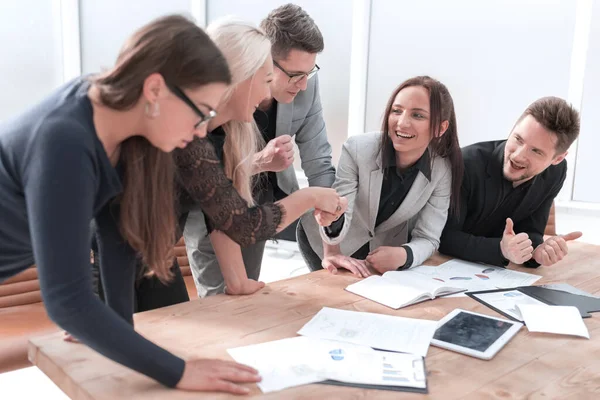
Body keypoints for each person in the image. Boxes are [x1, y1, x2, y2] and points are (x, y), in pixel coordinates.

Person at [0, 15, 266, 394]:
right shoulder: (65, 139)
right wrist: (178, 371)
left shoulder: (124, 131)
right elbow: (66, 301)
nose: (203, 130)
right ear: (156, 89)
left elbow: (119, 236)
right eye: (202, 111)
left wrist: (118, 327)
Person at [184, 4, 337, 297]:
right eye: (267, 79)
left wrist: (331, 240)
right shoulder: (193, 128)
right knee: (211, 302)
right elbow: (212, 184)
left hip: (252, 204)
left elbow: (226, 214)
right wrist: (306, 195)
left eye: (309, 73)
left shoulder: (216, 130)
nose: (303, 86)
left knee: (238, 297)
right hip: (140, 240)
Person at [298, 76, 464, 276]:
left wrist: (405, 255)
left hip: (381, 254)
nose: (402, 123)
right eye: (396, 111)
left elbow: (429, 238)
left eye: (417, 115)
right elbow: (342, 209)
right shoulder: (358, 148)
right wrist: (331, 220)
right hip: (329, 242)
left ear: (440, 128)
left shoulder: (442, 170)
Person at [439, 96, 582, 268]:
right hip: (442, 266)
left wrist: (536, 253)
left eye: (536, 151)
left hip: (496, 276)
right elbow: (445, 237)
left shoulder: (555, 173)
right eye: (518, 139)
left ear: (557, 159)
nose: (518, 156)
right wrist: (500, 249)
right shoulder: (465, 163)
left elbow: (532, 230)